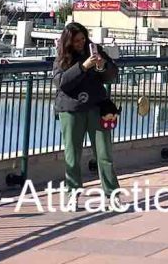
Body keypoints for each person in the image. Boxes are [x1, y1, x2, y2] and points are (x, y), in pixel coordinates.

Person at [52, 22, 122, 205]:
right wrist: (83, 67)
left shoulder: (94, 49)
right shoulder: (62, 56)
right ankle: (72, 194)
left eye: (83, 39)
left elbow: (112, 75)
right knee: (72, 155)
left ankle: (112, 194)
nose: (80, 43)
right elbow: (61, 82)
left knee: (104, 153)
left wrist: (102, 65)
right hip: (71, 109)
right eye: (76, 41)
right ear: (69, 41)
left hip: (97, 106)